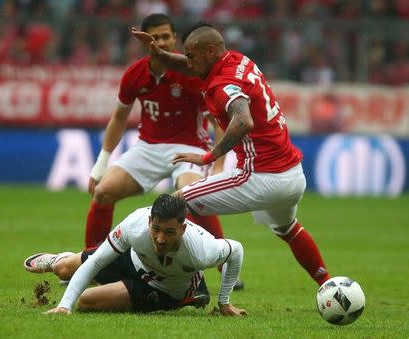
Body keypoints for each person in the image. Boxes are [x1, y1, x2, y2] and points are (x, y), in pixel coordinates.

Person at [132, 23, 331, 286]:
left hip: (260, 176)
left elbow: (243, 120)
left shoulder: (222, 84)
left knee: (175, 204)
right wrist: (161, 54)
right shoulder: (237, 60)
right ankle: (330, 284)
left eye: (191, 56)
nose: (188, 63)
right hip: (292, 176)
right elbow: (194, 68)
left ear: (210, 51)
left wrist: (209, 156)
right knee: (288, 228)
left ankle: (182, 284)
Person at [85, 14, 225, 259]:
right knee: (104, 191)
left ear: (175, 39)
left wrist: (219, 166)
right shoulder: (134, 75)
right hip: (148, 147)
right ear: (145, 41)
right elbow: (118, 118)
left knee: (194, 195)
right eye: (155, 37)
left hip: (189, 147)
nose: (161, 43)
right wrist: (100, 165)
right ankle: (90, 261)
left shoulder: (193, 73)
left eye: (165, 37)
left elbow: (218, 120)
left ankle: (224, 260)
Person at [23, 194, 246, 316]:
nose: (160, 239)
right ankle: (57, 260)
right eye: (156, 229)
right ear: (149, 221)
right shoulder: (135, 225)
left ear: (182, 229)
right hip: (134, 258)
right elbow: (98, 260)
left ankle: (191, 294)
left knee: (85, 301)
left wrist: (224, 302)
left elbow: (236, 250)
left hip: (161, 288)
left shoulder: (201, 251)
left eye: (169, 232)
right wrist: (64, 306)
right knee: (63, 269)